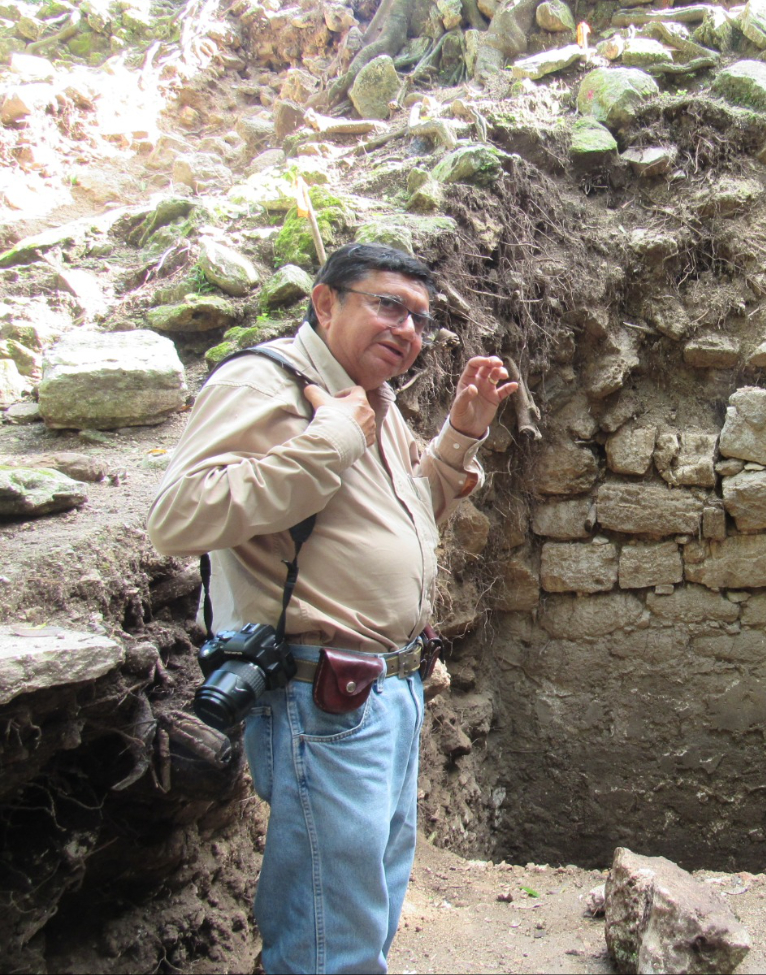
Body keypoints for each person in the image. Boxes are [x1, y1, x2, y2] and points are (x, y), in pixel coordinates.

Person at [147, 242, 517, 974]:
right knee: (330, 933)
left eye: (420, 317)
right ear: (325, 302)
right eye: (387, 304)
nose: (408, 328)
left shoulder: (367, 396)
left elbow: (414, 510)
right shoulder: (269, 384)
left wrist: (461, 433)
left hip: (389, 692)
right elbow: (177, 516)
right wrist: (334, 438)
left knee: (364, 906)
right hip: (322, 699)